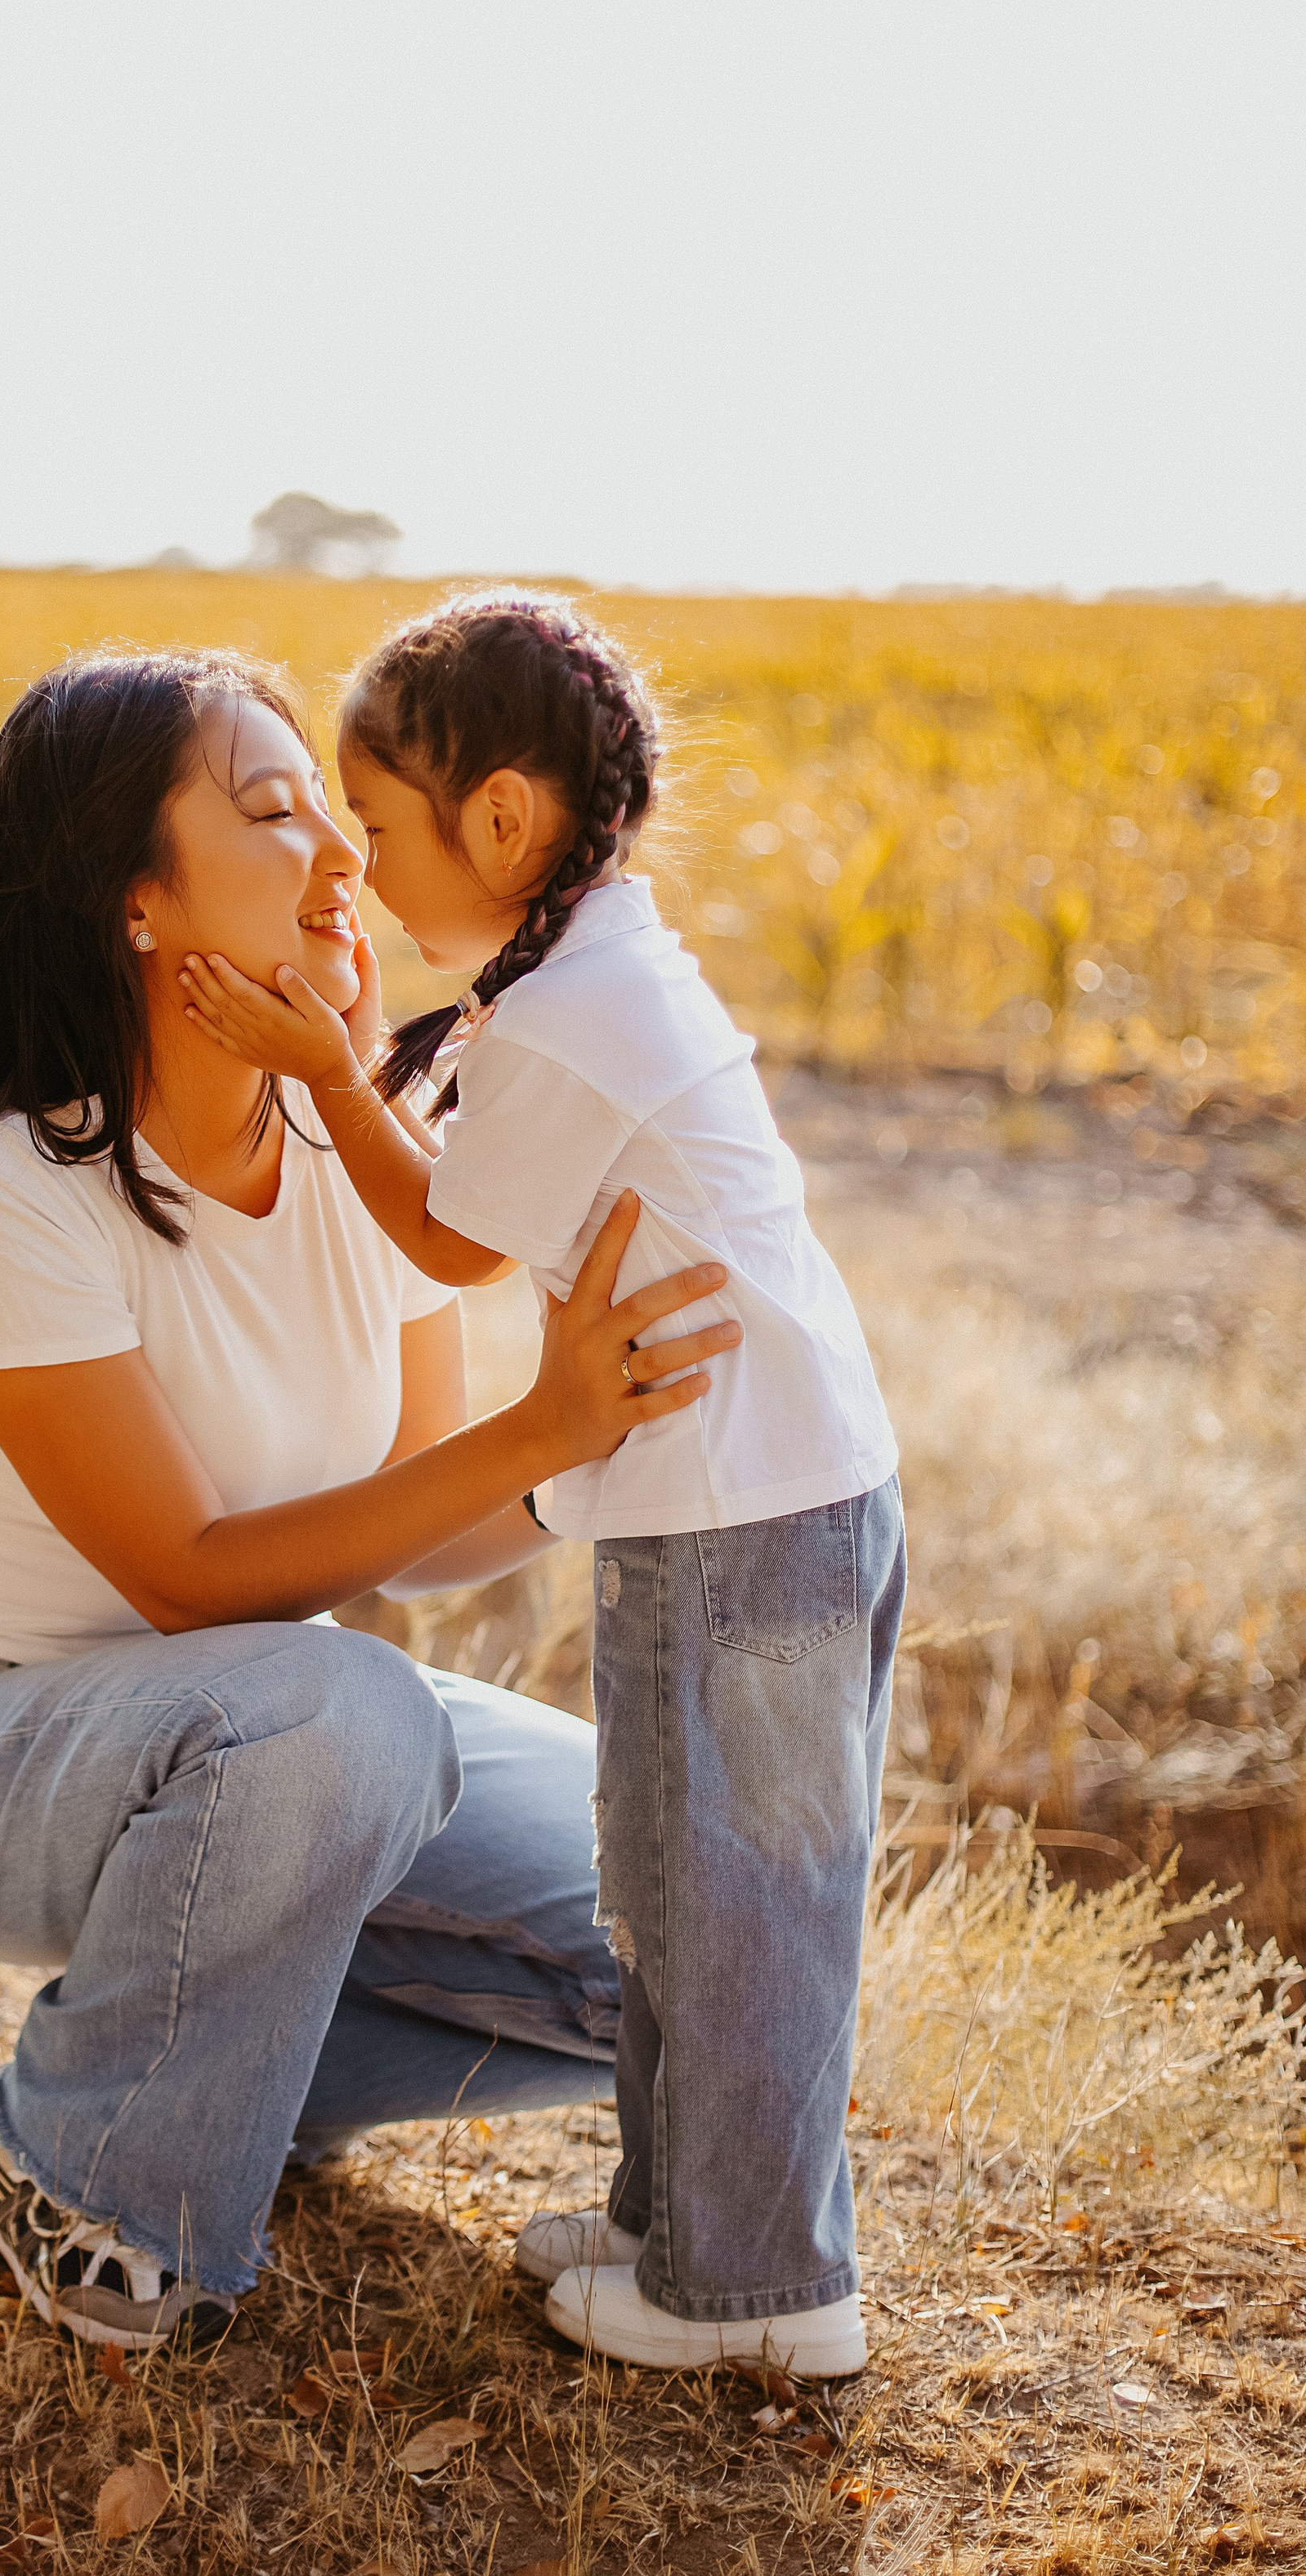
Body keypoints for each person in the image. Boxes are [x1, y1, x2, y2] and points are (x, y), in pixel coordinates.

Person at [0, 646, 741, 2355]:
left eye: (340, 810)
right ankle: (77, 2170)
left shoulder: (362, 1147)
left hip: (281, 1753)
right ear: (133, 902)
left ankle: (232, 2074)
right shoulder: (18, 1176)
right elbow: (185, 1582)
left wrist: (596, 1440)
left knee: (705, 1897)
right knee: (342, 1706)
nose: (343, 858)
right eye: (269, 811)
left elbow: (417, 1512)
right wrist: (532, 1422)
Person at [180, 589, 903, 2379]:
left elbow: (436, 1237)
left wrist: (320, 1065)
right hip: (716, 1515)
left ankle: (758, 2291)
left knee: (740, 1908)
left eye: (373, 821)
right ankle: (681, 2231)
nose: (350, 866)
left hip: (753, 1523)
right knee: (670, 1884)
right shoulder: (582, 980)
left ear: (500, 822)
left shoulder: (578, 1012)